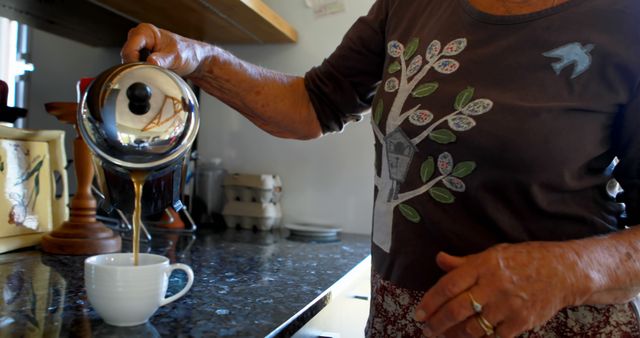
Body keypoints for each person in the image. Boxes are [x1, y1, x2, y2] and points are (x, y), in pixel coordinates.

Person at [122, 0, 640, 336]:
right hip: (404, 321)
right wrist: (201, 59)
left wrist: (565, 271)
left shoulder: (624, 18)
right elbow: (314, 103)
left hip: (557, 324)